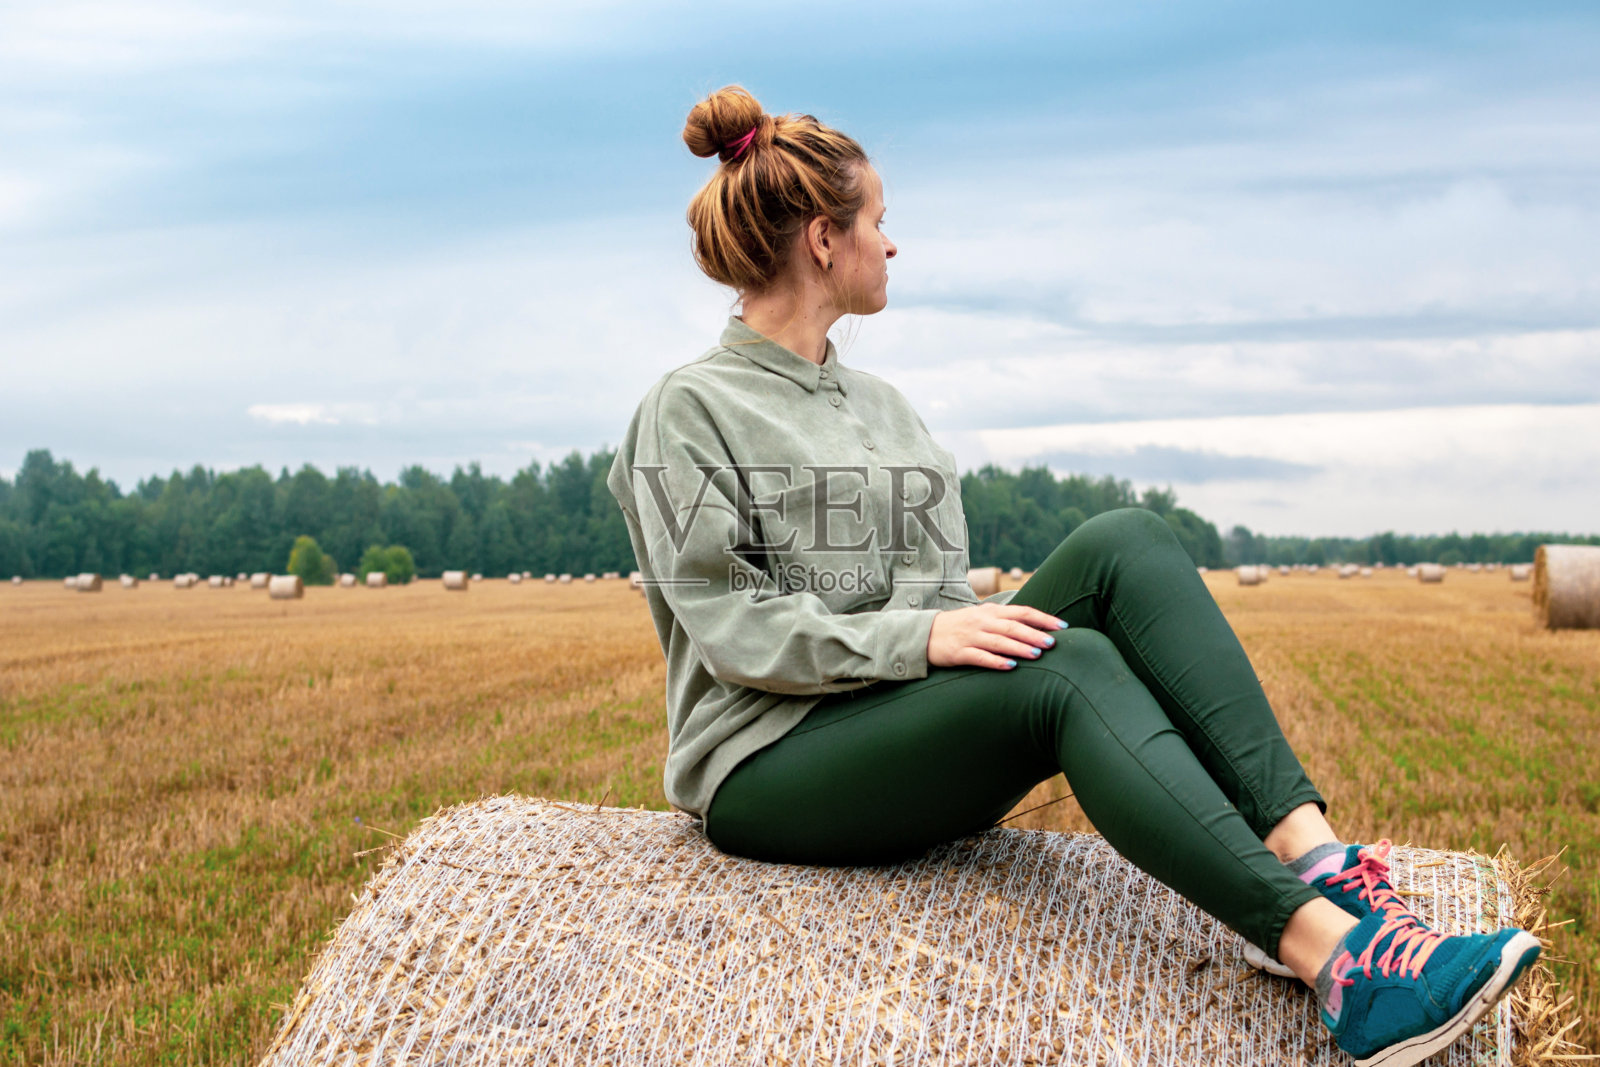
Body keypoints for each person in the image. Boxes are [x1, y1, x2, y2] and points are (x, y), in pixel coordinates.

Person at [605, 85, 1541, 1067]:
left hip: (894, 716)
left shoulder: (884, 408)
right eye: (879, 221)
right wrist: (924, 637)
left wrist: (940, 629)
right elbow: (735, 627)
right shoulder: (687, 411)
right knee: (1069, 664)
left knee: (1126, 538)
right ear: (822, 239)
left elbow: (931, 594)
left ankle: (1319, 862)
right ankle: (1342, 969)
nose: (894, 244)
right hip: (771, 764)